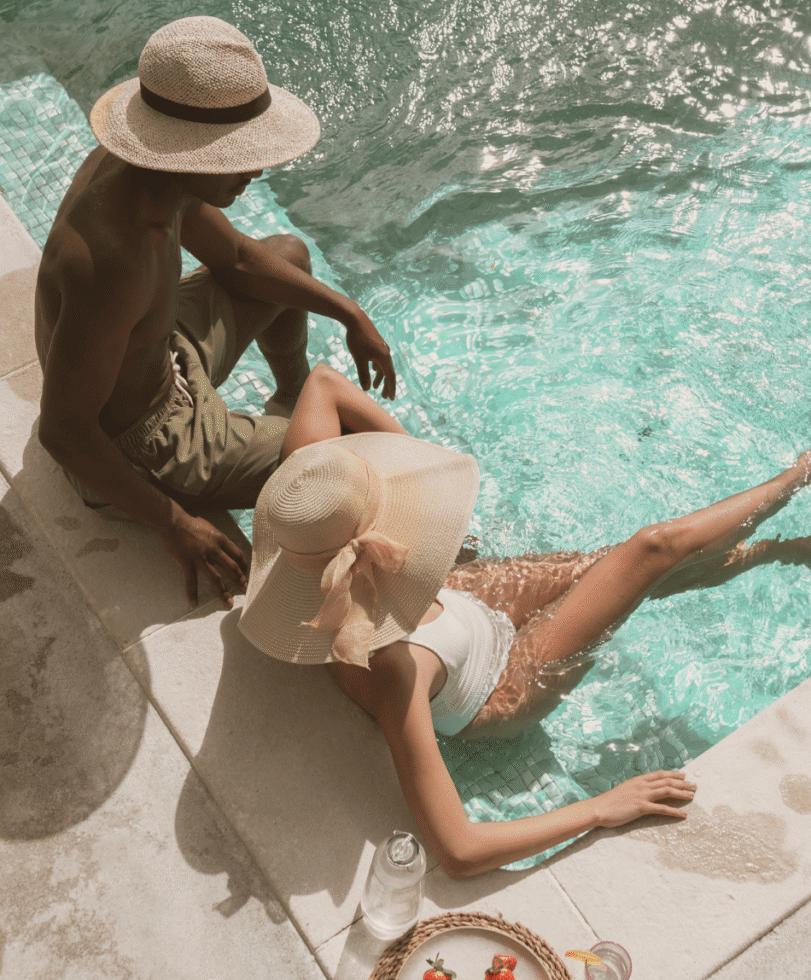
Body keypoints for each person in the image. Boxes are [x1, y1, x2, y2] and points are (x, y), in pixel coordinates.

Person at [237, 384, 811, 877]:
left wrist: (426, 493)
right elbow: (457, 850)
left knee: (625, 570)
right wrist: (602, 807)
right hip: (501, 682)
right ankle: (798, 476)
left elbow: (324, 382)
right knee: (647, 552)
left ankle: (769, 551)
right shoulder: (395, 665)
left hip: (458, 601)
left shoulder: (310, 502)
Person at [34, 15, 396, 609]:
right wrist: (173, 522)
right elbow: (64, 431)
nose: (256, 169)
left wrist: (350, 313)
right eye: (238, 155)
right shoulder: (111, 261)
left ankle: (291, 395)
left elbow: (239, 259)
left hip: (164, 353)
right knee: (355, 454)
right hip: (151, 439)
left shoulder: (154, 178)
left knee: (290, 259)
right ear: (187, 152)